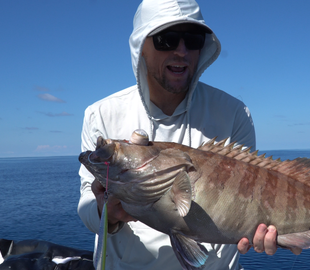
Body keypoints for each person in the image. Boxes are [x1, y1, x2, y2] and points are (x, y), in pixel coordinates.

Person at [78, 0, 281, 269]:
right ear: (141, 47)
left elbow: (254, 194)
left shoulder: (235, 113)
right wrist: (106, 212)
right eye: (167, 39)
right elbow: (86, 206)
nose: (182, 51)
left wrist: (268, 231)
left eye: (193, 40)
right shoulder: (101, 114)